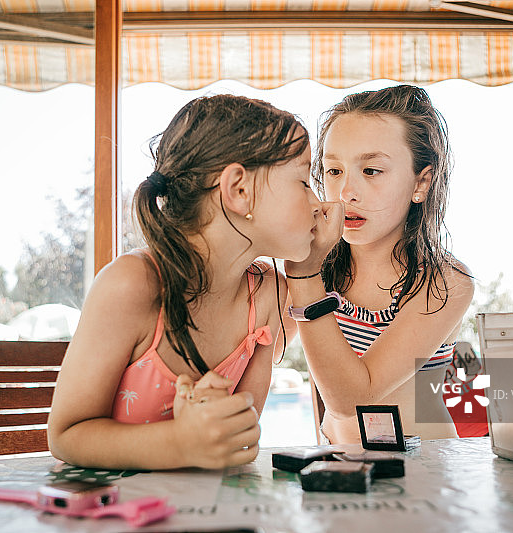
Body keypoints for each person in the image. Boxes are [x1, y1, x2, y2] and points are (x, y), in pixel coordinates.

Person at [48, 94, 324, 470]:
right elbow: (66, 434)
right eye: (304, 182)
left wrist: (221, 421)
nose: (319, 203)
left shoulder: (269, 295)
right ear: (239, 190)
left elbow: (241, 437)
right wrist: (180, 443)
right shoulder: (134, 285)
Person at [285, 85, 474, 444]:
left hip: (427, 474)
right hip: (339, 467)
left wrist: (304, 275)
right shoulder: (313, 271)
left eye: (371, 170)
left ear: (422, 182)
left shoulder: (446, 283)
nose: (345, 192)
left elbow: (355, 399)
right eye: (333, 170)